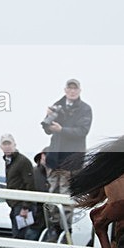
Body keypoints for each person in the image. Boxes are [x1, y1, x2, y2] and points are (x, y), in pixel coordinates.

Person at [41, 79, 92, 236]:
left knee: (67, 195)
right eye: (69, 88)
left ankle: (65, 230)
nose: (72, 91)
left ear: (79, 90)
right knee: (51, 195)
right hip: (54, 159)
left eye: (74, 88)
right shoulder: (57, 105)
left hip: (71, 161)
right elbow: (47, 130)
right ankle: (53, 228)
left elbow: (82, 131)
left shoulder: (85, 109)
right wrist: (48, 119)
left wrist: (62, 129)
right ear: (65, 90)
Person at [0, 134, 39, 248]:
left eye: (9, 143)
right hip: (16, 205)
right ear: (1, 146)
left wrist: (25, 207)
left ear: (15, 144)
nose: (7, 146)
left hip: (22, 207)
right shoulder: (9, 161)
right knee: (18, 239)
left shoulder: (22, 161)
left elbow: (30, 184)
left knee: (22, 240)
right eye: (5, 144)